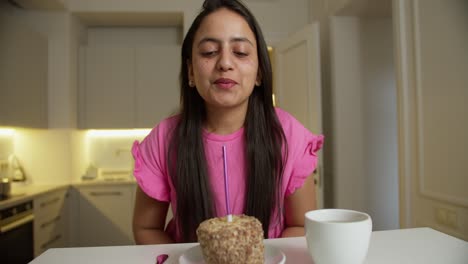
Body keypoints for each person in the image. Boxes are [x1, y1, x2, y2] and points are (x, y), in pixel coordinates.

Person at [131, 0, 324, 244]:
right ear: (191, 72)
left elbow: (300, 225)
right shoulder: (163, 139)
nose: (225, 63)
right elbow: (146, 228)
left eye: (240, 52)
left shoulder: (289, 135)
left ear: (259, 73)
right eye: (210, 52)